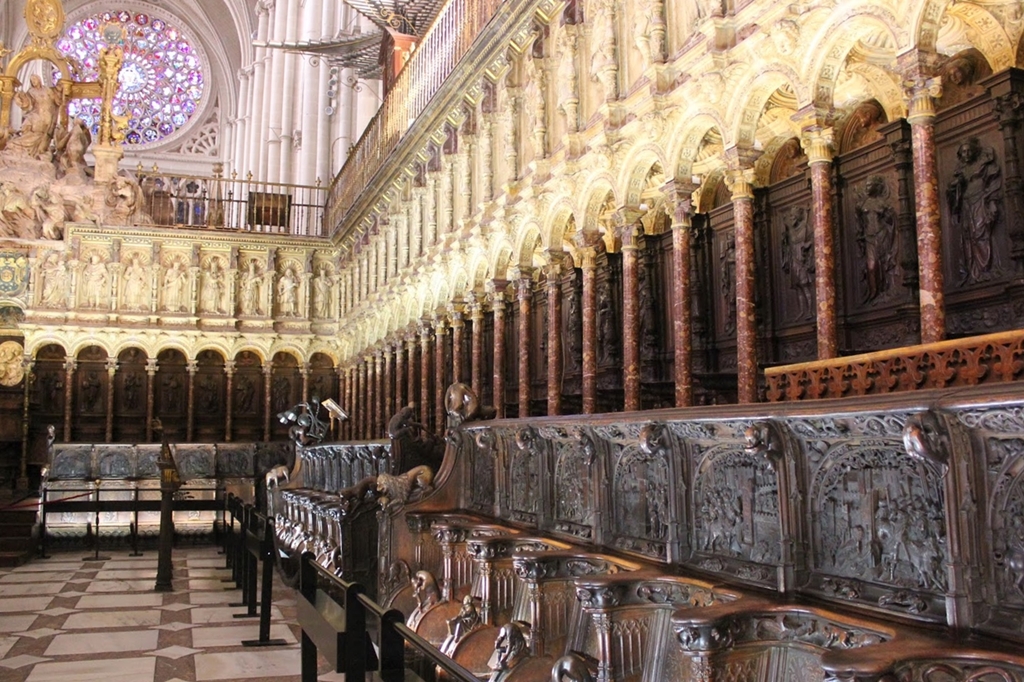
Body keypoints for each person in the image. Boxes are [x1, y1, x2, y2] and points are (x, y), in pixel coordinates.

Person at [947, 137, 1002, 284]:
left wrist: (992, 202)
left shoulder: (984, 165)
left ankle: (985, 269)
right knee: (967, 237)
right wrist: (955, 186)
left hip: (980, 201)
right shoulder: (961, 171)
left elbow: (993, 184)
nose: (966, 154)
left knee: (980, 233)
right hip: (966, 204)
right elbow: (952, 192)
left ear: (974, 151)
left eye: (968, 151)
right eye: (963, 152)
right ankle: (972, 272)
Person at [10, 75, 61, 159]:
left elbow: (56, 101)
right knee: (27, 126)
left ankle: (38, 152)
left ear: (39, 79)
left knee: (43, 134)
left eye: (34, 79)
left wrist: (61, 93)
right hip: (36, 113)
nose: (33, 81)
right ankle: (24, 147)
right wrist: (20, 97)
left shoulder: (47, 90)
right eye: (31, 80)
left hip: (47, 115)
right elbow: (27, 104)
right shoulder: (31, 91)